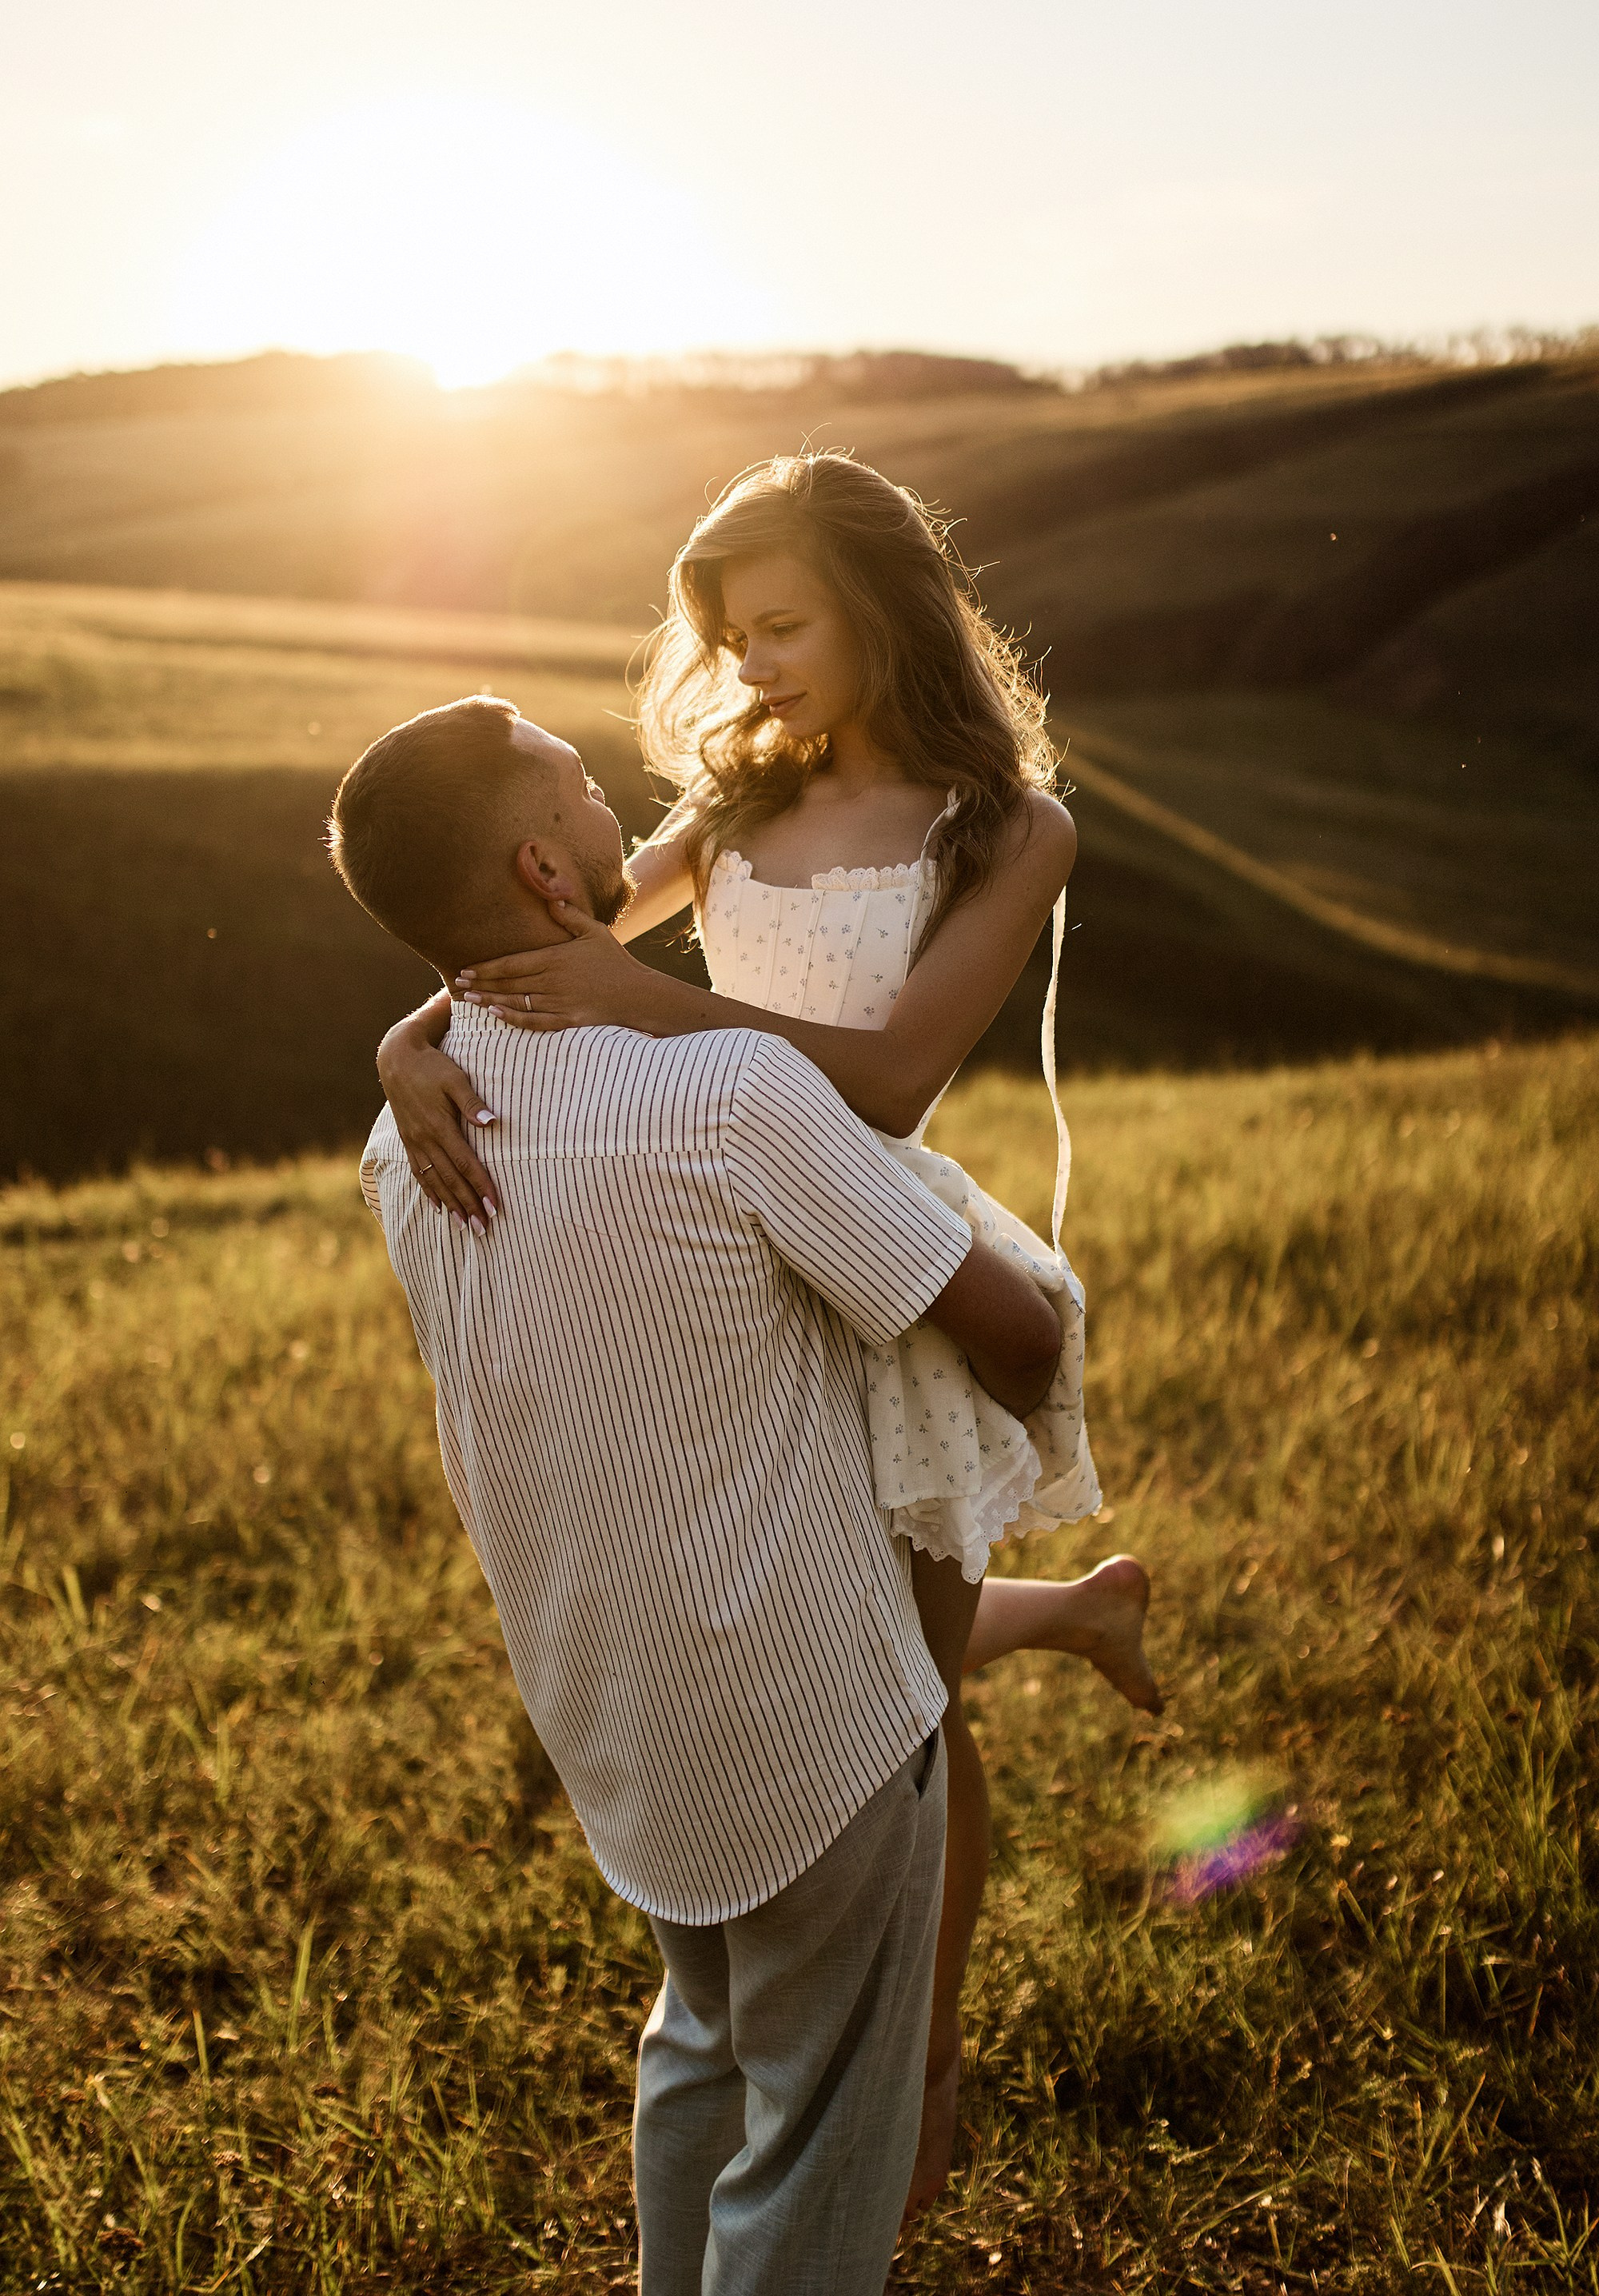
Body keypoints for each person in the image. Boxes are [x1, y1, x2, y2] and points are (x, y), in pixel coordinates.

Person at [377, 451, 1162, 2207]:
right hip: (740, 1231)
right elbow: (526, 931)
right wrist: (403, 1042)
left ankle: (924, 2065)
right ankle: (1079, 1613)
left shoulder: (1007, 829)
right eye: (731, 641)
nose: (756, 671)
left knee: (905, 1725)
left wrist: (651, 1011)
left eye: (785, 626)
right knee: (840, 1645)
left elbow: (889, 1079)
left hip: (868, 1225)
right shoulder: (736, 803)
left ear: (889, 604)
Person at [328, 693, 1065, 2293]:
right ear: (544, 864)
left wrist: (407, 1038)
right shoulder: (729, 1094)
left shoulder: (410, 1129)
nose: (614, 806)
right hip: (804, 1715)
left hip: (611, 1715)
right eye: (583, 788)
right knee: (812, 2154)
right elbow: (1019, 1345)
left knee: (705, 2056)